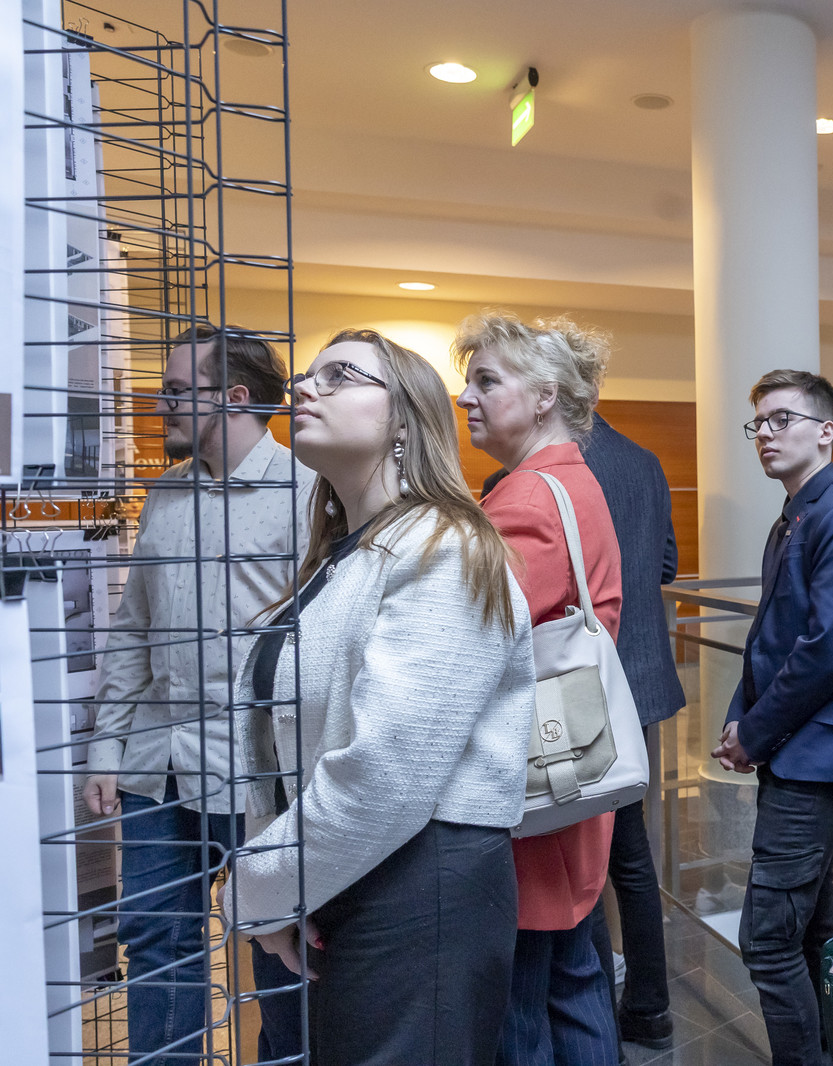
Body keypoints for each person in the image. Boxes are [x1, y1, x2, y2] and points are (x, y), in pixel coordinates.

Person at [230, 329, 536, 1066]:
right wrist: (282, 890)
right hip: (337, 874)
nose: (304, 387)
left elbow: (387, 777)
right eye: (309, 374)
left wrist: (255, 887)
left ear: (404, 418)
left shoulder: (445, 548)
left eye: (340, 375)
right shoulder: (345, 556)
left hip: (417, 890)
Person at [83, 325, 309, 1065]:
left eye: (178, 391)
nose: (161, 406)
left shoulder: (309, 493)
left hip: (261, 768)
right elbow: (133, 629)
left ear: (235, 397)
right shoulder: (165, 494)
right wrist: (106, 748)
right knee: (154, 937)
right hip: (160, 764)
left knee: (280, 945)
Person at [453, 311, 625, 1066]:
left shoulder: (525, 499)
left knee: (519, 1011)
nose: (467, 397)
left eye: (487, 380)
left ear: (546, 395)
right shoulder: (572, 481)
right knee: (573, 981)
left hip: (529, 782)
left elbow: (469, 642)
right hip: (568, 764)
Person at [713, 369, 833, 1066]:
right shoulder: (794, 514)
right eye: (758, 423)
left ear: (825, 431)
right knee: (812, 933)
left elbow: (824, 652)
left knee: (766, 941)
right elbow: (769, 637)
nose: (765, 434)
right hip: (798, 746)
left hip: (822, 757)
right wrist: (741, 723)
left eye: (781, 419)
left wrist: (756, 734)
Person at [580, 411, 686, 1051]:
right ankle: (649, 1006)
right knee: (631, 853)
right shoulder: (644, 461)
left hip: (576, 694)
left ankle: (590, 1008)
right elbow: (667, 563)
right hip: (639, 680)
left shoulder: (531, 471)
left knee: (579, 860)